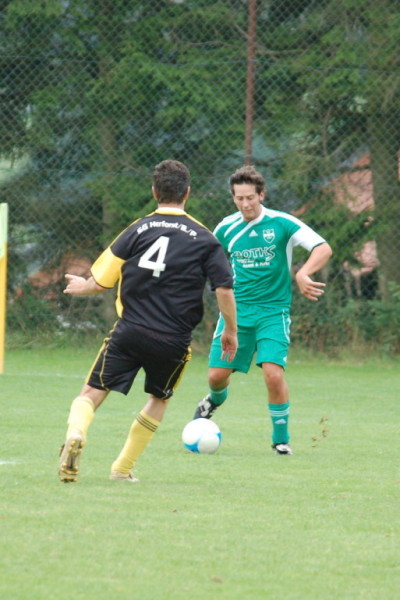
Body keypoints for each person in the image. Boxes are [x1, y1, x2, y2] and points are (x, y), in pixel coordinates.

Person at [58, 159, 237, 483]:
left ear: (155, 191)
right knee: (159, 398)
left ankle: (76, 433)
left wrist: (83, 286)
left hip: (129, 331)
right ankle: (122, 469)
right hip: (172, 340)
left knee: (92, 391)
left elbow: (101, 280)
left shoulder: (138, 228)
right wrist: (231, 331)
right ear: (187, 192)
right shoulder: (205, 238)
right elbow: (224, 288)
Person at [193, 165, 332, 455]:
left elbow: (322, 248)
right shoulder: (225, 228)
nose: (245, 204)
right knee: (216, 377)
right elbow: (205, 262)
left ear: (261, 195)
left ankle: (281, 440)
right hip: (237, 312)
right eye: (239, 198)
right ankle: (214, 400)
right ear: (233, 198)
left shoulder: (282, 223)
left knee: (273, 374)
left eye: (250, 198)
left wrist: (303, 272)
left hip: (273, 312)